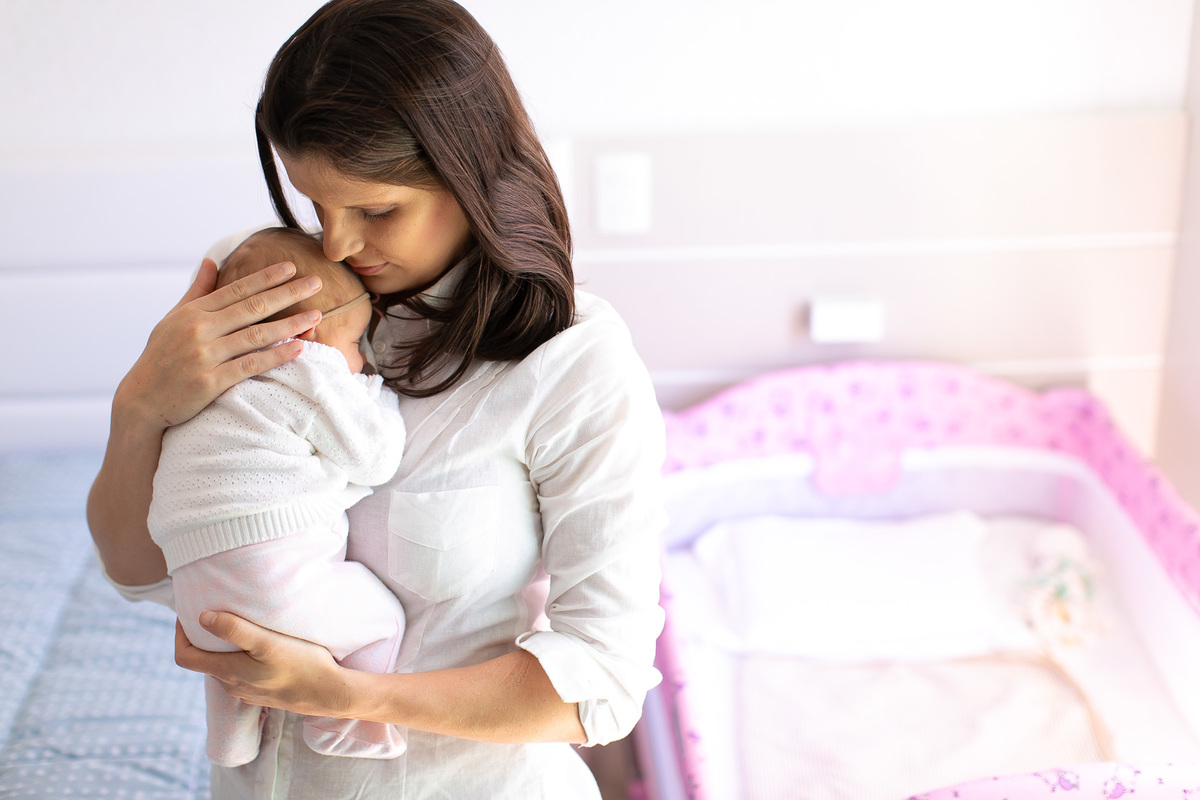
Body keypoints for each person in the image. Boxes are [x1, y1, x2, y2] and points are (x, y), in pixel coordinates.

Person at [86, 0, 666, 797]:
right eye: (313, 203)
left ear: (472, 176)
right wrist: (140, 406)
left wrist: (352, 698)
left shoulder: (572, 364)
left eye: (376, 210)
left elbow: (602, 678)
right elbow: (142, 569)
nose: (337, 246)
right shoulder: (266, 285)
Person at [148, 226, 408, 768]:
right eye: (355, 342)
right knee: (381, 616)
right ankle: (347, 726)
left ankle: (229, 742)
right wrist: (372, 393)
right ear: (308, 334)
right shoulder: (307, 370)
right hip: (274, 580)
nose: (360, 358)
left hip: (195, 594)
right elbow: (376, 458)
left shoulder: (207, 381)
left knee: (227, 660)